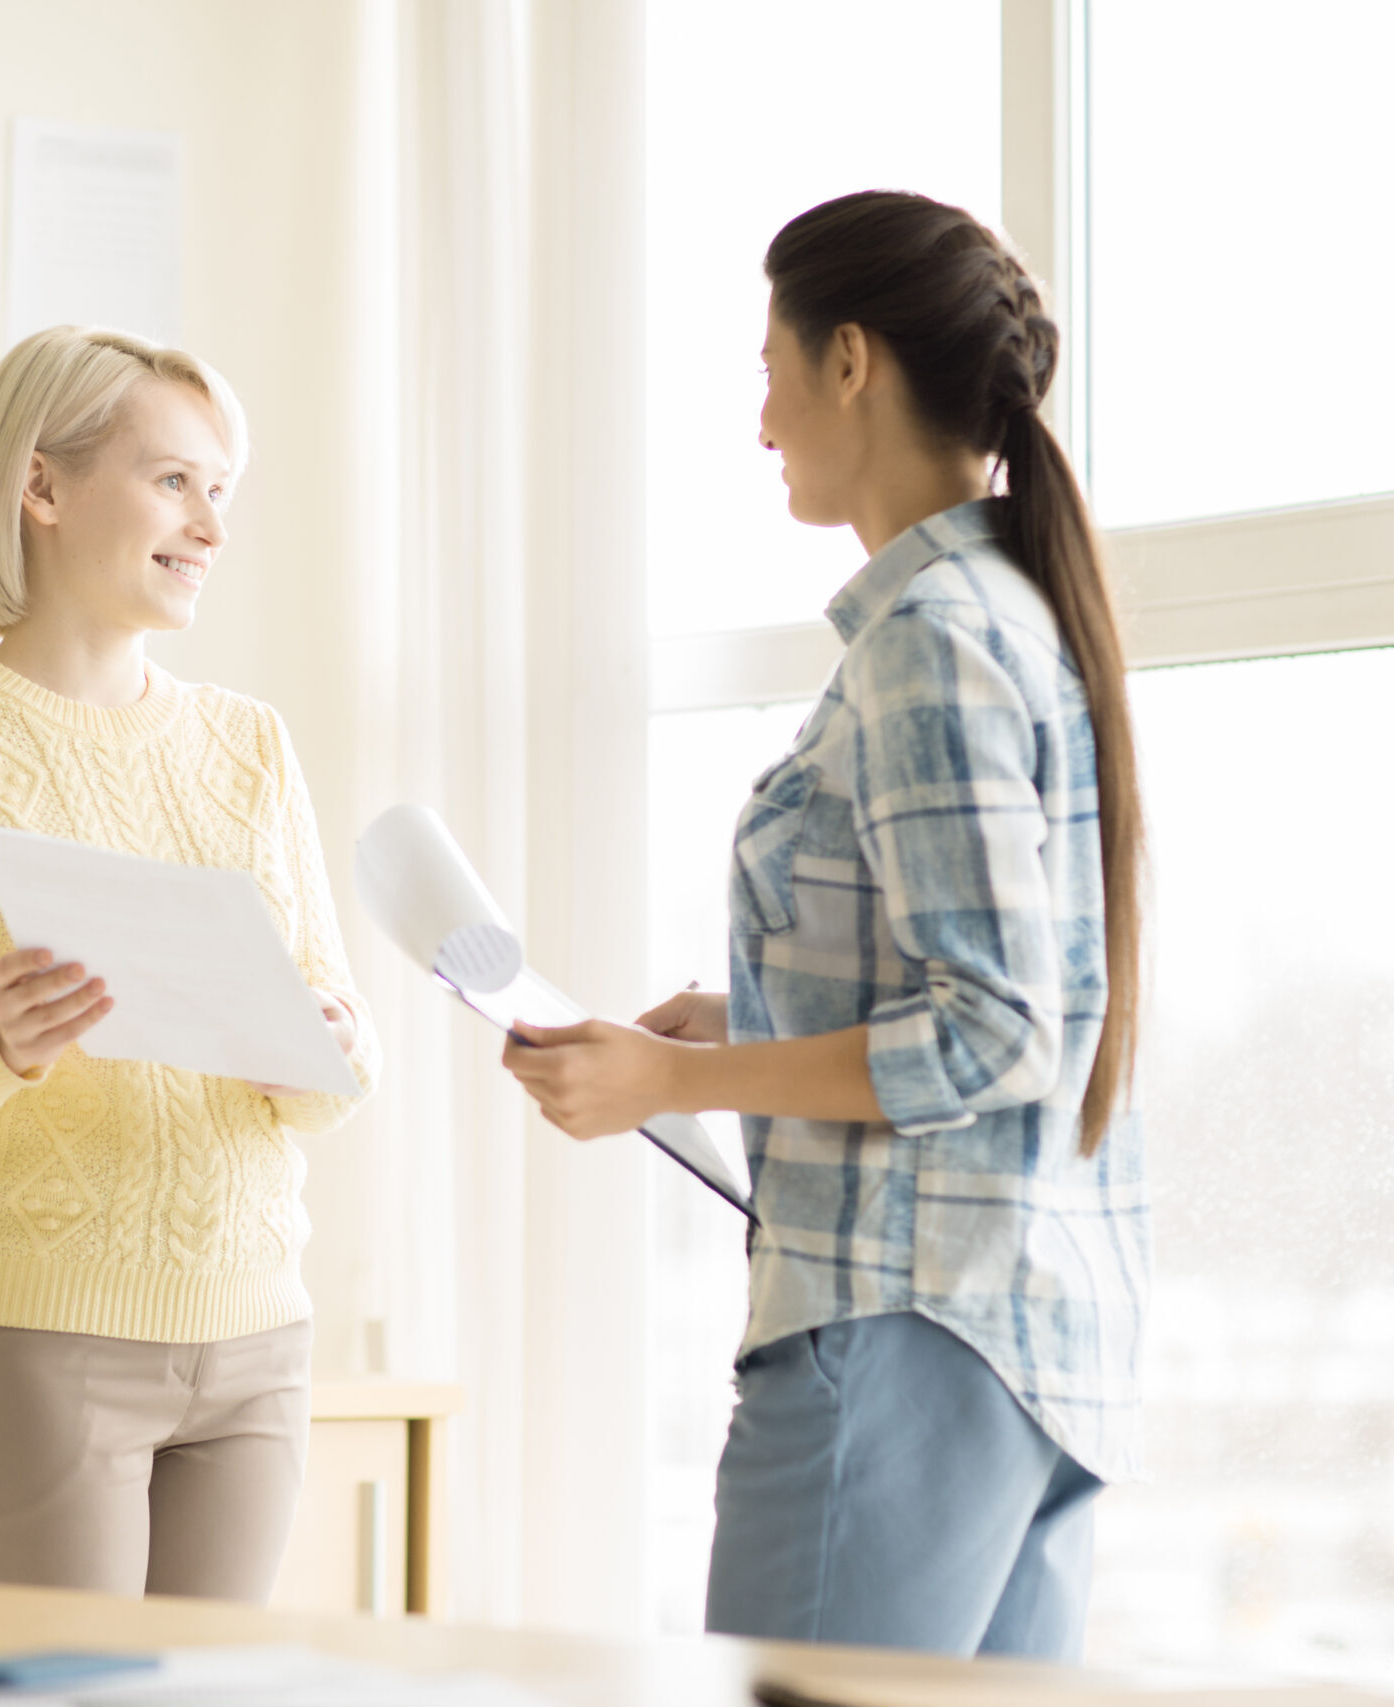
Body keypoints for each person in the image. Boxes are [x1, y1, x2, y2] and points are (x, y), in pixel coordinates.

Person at [501, 191, 1149, 1660]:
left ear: (848, 359)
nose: (762, 420)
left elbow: (989, 1029)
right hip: (1027, 1341)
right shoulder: (1018, 612)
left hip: (901, 1319)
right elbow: (995, 989)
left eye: (770, 367)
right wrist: (734, 1018)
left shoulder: (934, 638)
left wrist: (671, 1083)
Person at [0, 325, 378, 1604]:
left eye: (220, 490)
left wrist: (339, 1049)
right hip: (28, 1344)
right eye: (173, 480)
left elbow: (327, 1084)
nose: (209, 527)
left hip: (255, 1345)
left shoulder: (250, 745)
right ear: (42, 486)